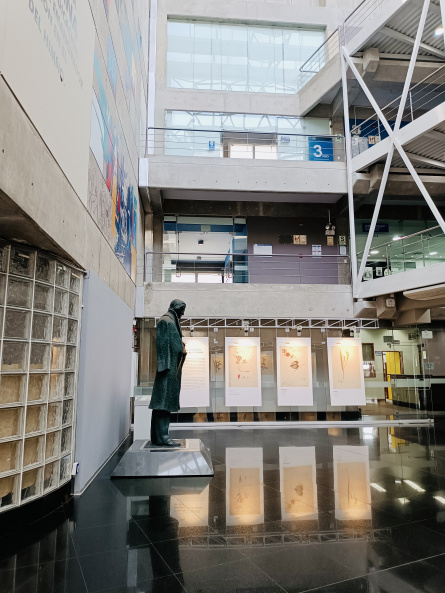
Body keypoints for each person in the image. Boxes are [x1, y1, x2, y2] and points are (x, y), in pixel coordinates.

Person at [149, 299, 187, 446]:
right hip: (167, 370)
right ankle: (162, 437)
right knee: (163, 404)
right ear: (176, 309)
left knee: (164, 404)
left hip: (171, 369)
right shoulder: (166, 321)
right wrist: (164, 367)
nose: (183, 314)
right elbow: (162, 346)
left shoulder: (172, 320)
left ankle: (159, 437)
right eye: (181, 310)